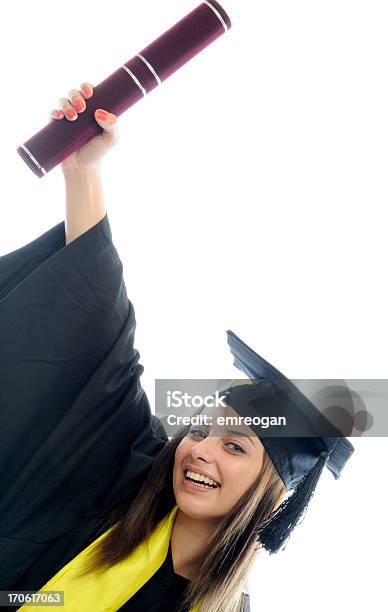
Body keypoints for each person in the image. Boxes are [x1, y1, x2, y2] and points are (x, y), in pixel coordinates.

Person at [0, 84, 353, 612]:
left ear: (270, 492)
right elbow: (99, 336)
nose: (202, 448)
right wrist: (82, 171)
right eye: (202, 428)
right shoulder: (127, 476)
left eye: (235, 446)